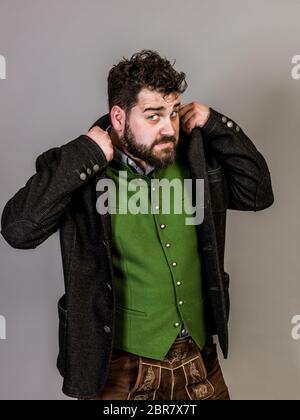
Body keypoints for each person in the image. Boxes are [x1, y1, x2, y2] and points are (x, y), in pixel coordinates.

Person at [0, 49, 274, 400]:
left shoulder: (196, 156)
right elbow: (18, 230)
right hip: (121, 369)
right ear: (118, 117)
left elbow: (259, 194)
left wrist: (216, 123)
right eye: (153, 115)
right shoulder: (81, 170)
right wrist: (85, 152)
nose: (168, 128)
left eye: (173, 113)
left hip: (198, 358)